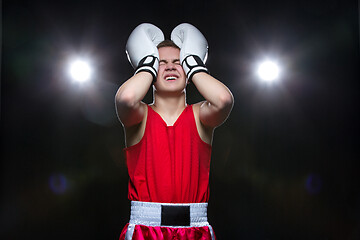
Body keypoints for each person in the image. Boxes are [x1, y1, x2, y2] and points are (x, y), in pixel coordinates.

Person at [115, 23, 234, 240]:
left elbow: (223, 100)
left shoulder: (200, 116)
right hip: (145, 231)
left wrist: (193, 64)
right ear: (150, 71)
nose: (170, 67)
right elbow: (126, 99)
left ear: (188, 70)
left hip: (195, 231)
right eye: (162, 63)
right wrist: (147, 65)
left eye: (178, 63)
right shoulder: (139, 116)